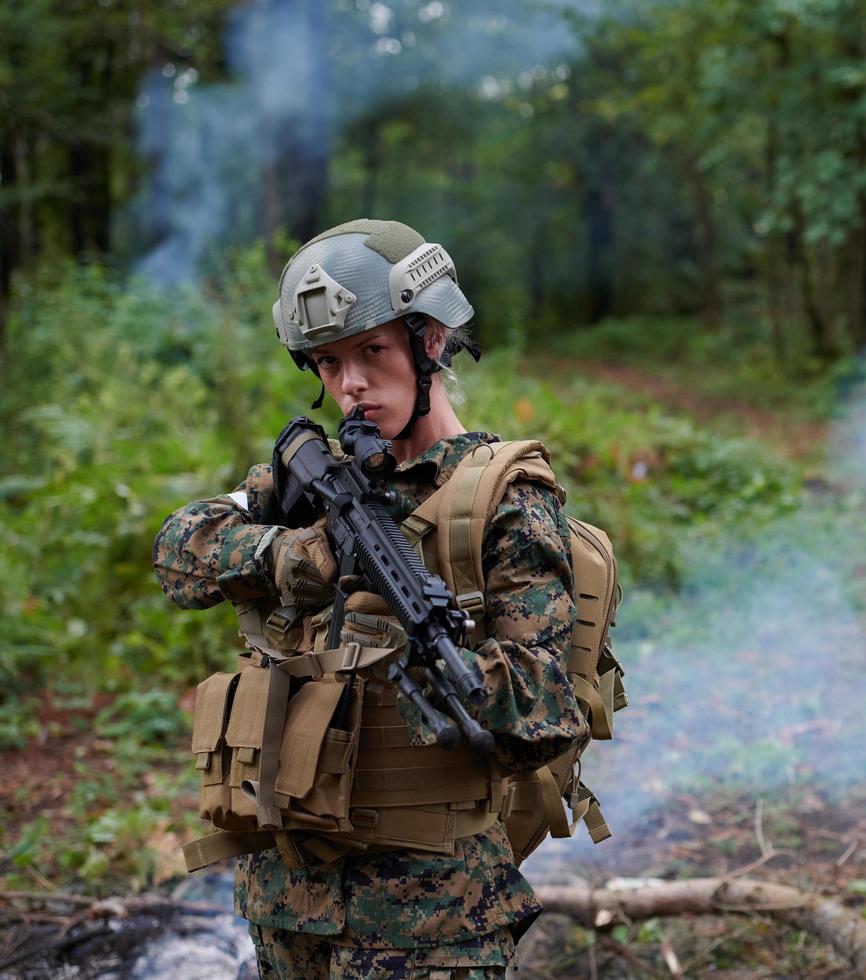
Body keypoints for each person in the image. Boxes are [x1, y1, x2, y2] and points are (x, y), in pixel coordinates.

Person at [153, 219, 588, 978]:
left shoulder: (503, 503)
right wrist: (289, 555)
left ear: (431, 342)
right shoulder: (309, 484)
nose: (350, 384)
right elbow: (177, 551)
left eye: (371, 352)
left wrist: (437, 669)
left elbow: (546, 709)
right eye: (328, 362)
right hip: (287, 901)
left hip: (432, 918)